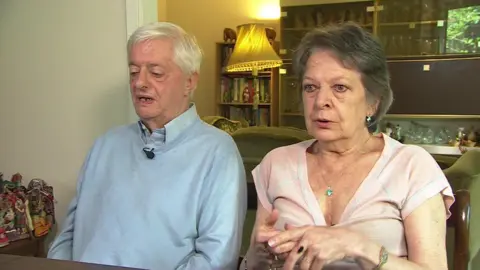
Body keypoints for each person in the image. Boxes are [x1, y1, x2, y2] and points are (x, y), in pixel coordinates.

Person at [242, 22, 454, 270]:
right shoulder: (276, 163)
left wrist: (360, 247)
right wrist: (259, 255)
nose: (321, 101)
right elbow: (250, 265)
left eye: (339, 87)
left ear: (373, 102)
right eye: (311, 87)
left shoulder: (411, 166)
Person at [47, 22, 247, 270]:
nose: (140, 83)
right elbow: (67, 237)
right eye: (134, 72)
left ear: (190, 82)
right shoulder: (105, 145)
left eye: (156, 72)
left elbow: (215, 260)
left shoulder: (218, 152)